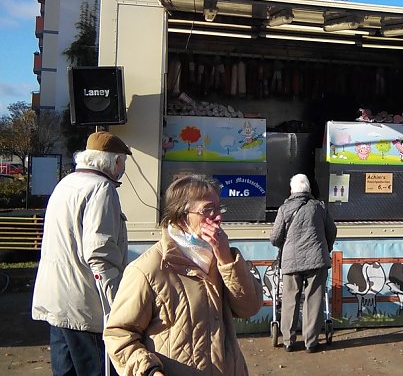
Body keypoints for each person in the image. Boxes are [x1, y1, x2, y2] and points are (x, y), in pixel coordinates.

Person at [103, 175, 263, 376]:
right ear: (180, 217)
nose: (218, 217)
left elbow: (250, 307)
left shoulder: (220, 257)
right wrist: (149, 371)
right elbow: (119, 334)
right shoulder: (148, 269)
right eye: (207, 210)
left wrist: (226, 260)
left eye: (218, 208)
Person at [32, 131, 132, 376]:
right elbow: (99, 253)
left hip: (56, 299)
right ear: (114, 161)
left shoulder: (66, 183)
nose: (122, 170)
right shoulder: (102, 189)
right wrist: (116, 304)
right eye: (123, 163)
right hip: (85, 305)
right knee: (96, 369)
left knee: (65, 371)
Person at [270, 173, 337, 353]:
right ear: (308, 189)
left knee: (290, 299)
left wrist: (284, 246)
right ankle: (311, 342)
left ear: (292, 190)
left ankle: (288, 341)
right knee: (314, 300)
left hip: (291, 261)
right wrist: (326, 248)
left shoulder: (284, 209)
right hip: (317, 260)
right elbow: (332, 231)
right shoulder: (320, 207)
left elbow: (275, 237)